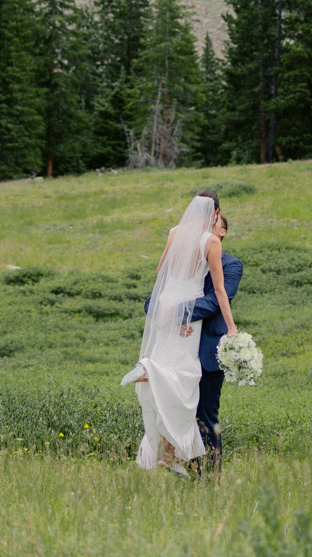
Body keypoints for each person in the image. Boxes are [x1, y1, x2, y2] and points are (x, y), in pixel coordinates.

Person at [120, 192, 236, 473]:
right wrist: (231, 327)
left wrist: (169, 308)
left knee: (169, 359)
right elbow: (219, 291)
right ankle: (149, 368)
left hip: (169, 297)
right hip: (188, 305)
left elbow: (161, 271)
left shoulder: (175, 232)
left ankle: (149, 368)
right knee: (186, 374)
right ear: (216, 211)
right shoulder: (211, 242)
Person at [186, 188, 242, 474]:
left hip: (207, 352)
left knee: (207, 415)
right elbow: (155, 299)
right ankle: (183, 470)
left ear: (222, 232)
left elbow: (214, 302)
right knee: (181, 414)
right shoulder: (186, 258)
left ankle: (211, 474)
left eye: (214, 225)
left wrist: (179, 313)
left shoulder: (232, 265)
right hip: (179, 353)